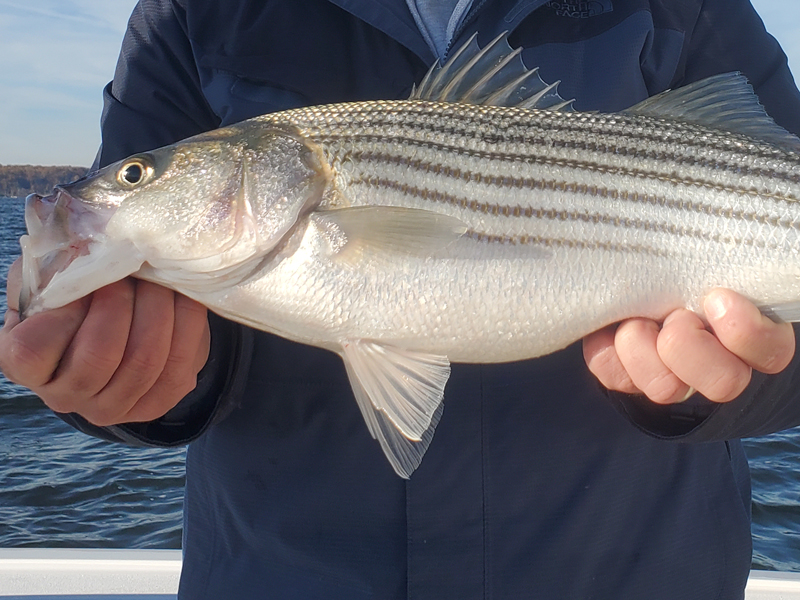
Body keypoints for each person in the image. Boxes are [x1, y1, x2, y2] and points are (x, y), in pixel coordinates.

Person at [3, 0, 800, 597]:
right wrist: (131, 381)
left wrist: (718, 388)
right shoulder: (192, 10)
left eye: (138, 177)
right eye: (140, 173)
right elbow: (114, 298)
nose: (122, 188)